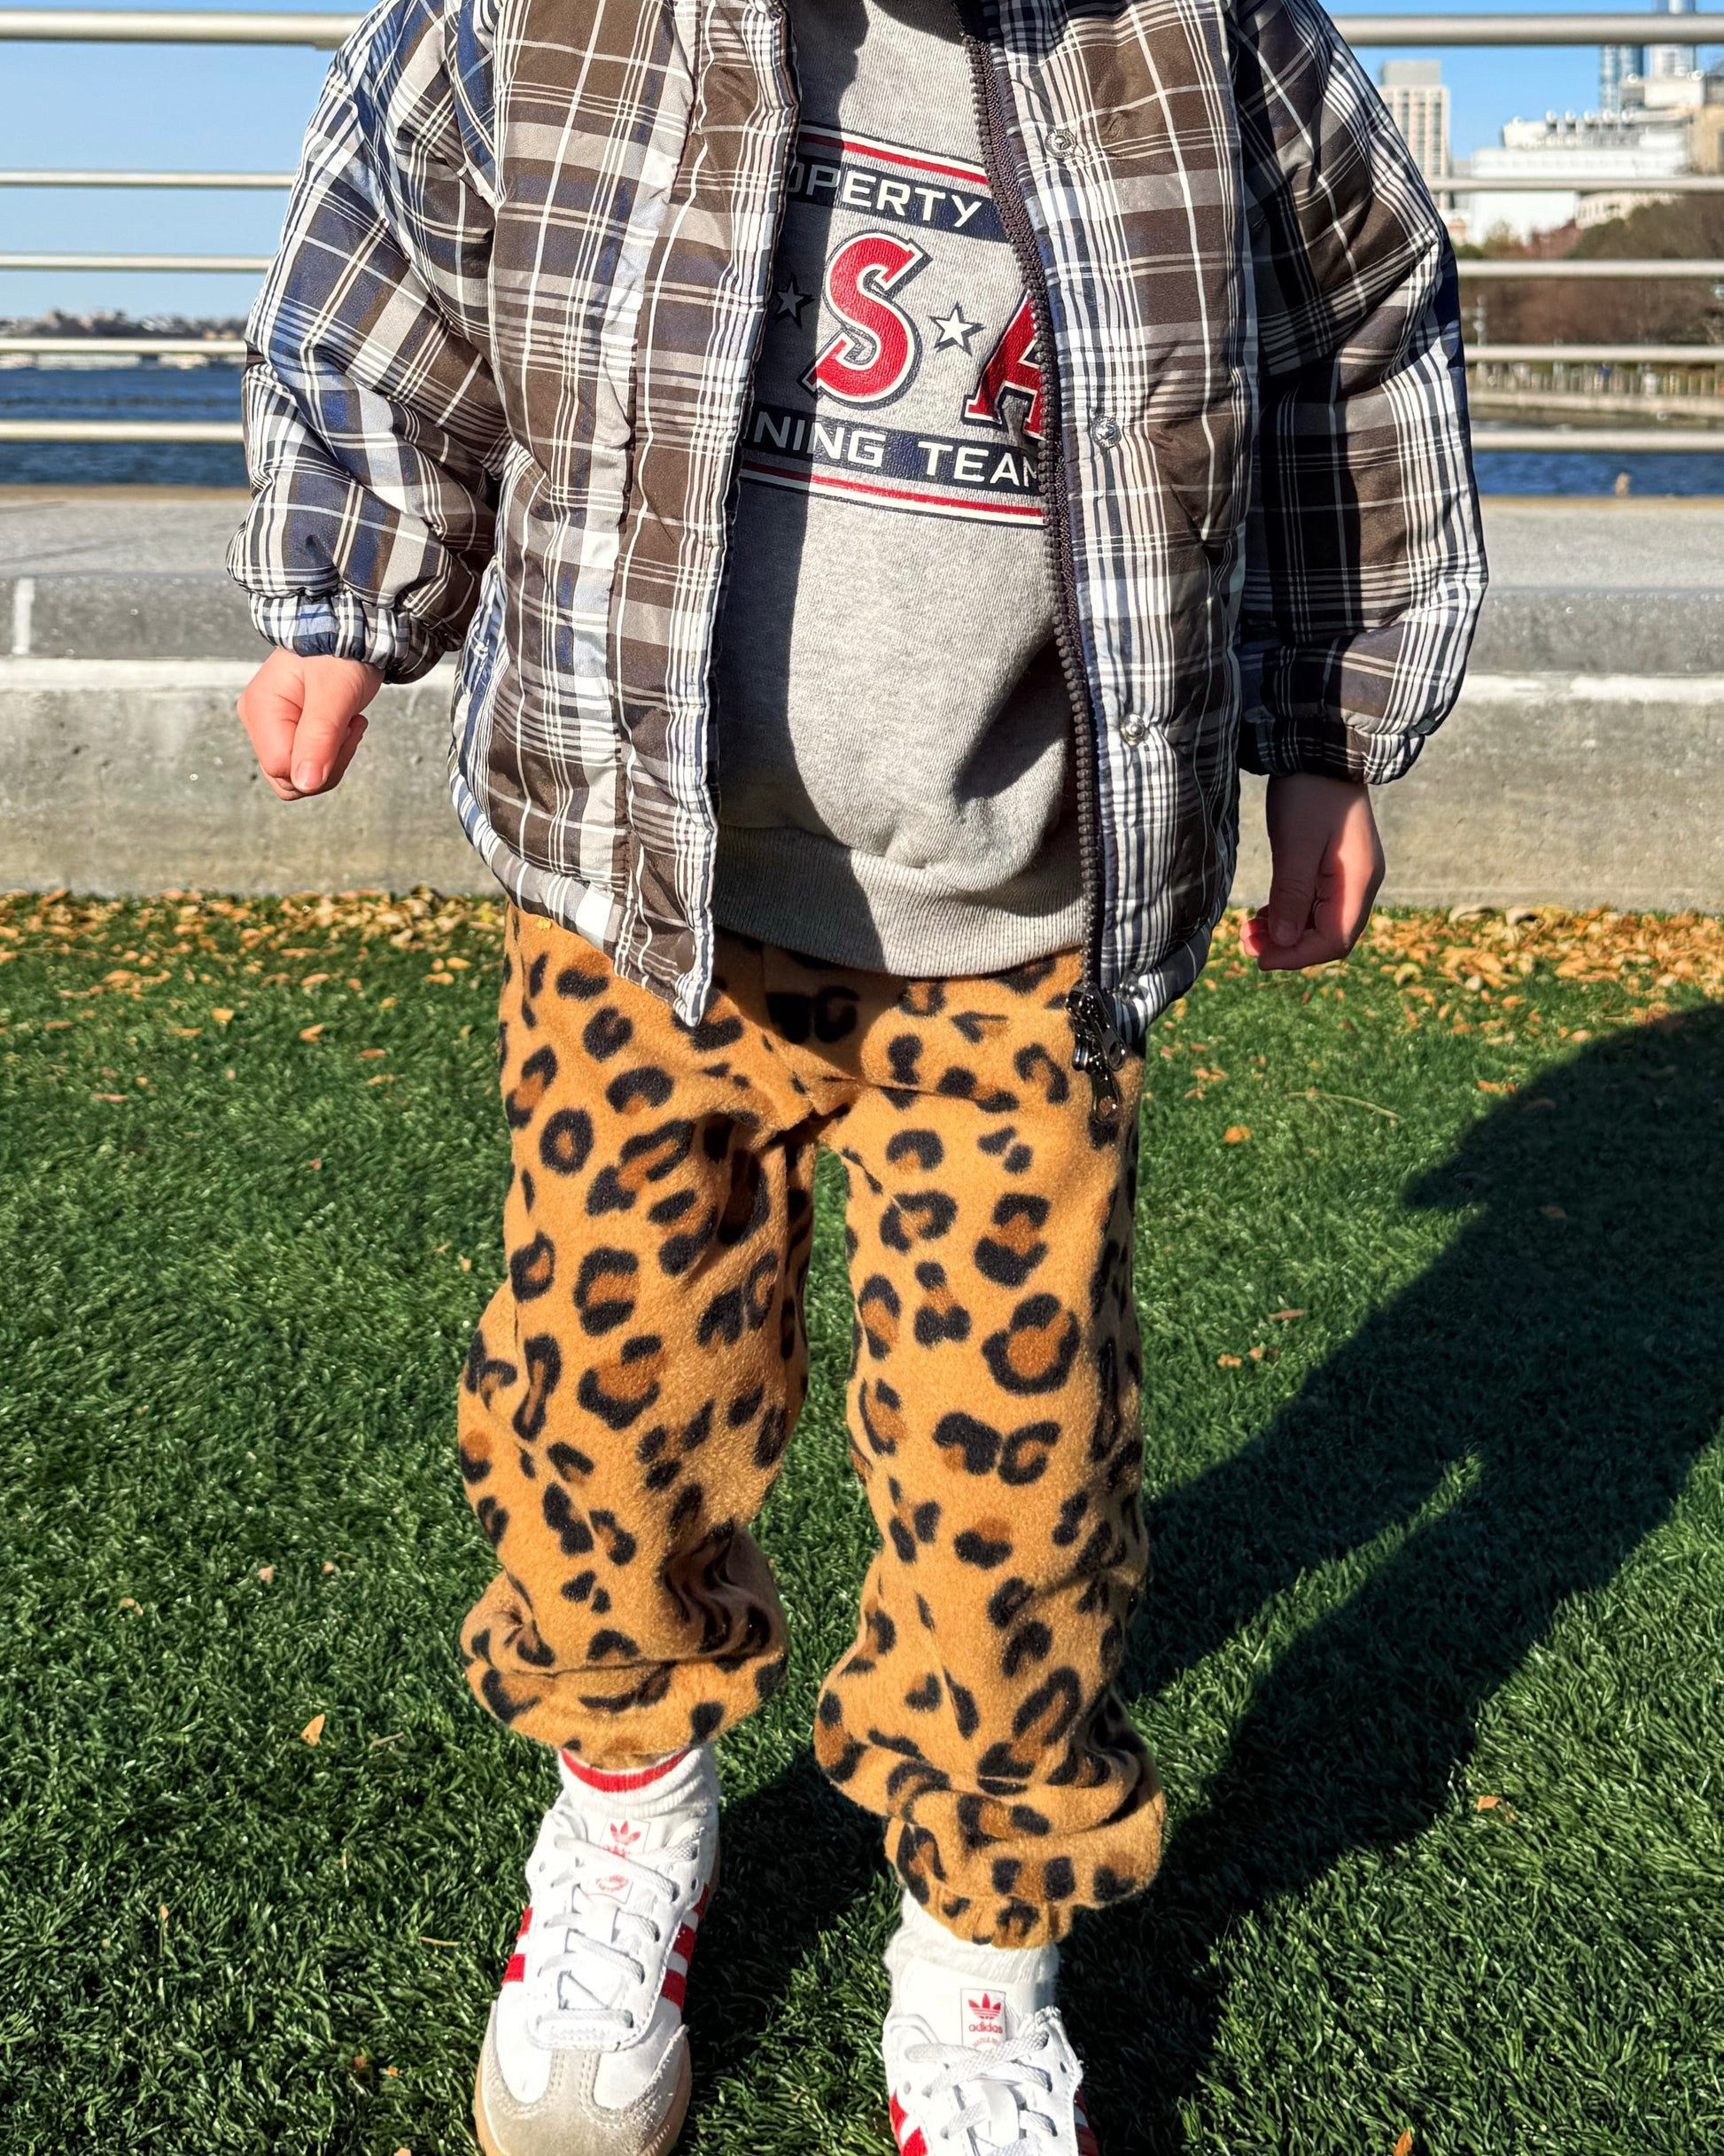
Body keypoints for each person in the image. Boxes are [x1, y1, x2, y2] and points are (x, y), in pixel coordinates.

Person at [228, 0, 1486, 2143]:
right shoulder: (543, 13)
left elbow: (1359, 331)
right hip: (643, 897)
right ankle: (628, 1802)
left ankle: (981, 1946)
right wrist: (346, 587)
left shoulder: (1204, 34)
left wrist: (1326, 729)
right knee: (594, 1408)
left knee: (1021, 1478)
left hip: (1016, 924)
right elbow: (389, 267)